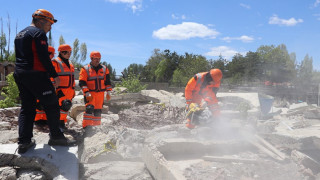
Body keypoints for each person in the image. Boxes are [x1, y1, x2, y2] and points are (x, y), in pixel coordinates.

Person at [14, 9, 76, 154]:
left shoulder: (20, 34)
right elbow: (43, 57)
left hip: (20, 74)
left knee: (27, 107)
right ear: (41, 21)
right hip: (35, 74)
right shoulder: (38, 33)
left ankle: (24, 141)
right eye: (50, 23)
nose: (50, 27)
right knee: (52, 104)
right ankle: (56, 137)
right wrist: (55, 75)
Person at [79, 51, 112, 128]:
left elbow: (107, 81)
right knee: (89, 110)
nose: (97, 60)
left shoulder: (104, 69)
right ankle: (86, 127)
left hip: (100, 94)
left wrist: (109, 92)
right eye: (95, 59)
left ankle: (96, 127)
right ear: (91, 58)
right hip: (90, 94)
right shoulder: (85, 69)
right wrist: (86, 92)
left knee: (97, 112)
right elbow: (82, 82)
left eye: (99, 59)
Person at [34, 46, 55, 123]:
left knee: (46, 104)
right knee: (39, 104)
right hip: (39, 87)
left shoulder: (49, 63)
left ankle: (44, 120)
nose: (53, 56)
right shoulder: (40, 63)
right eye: (52, 54)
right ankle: (37, 120)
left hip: (47, 88)